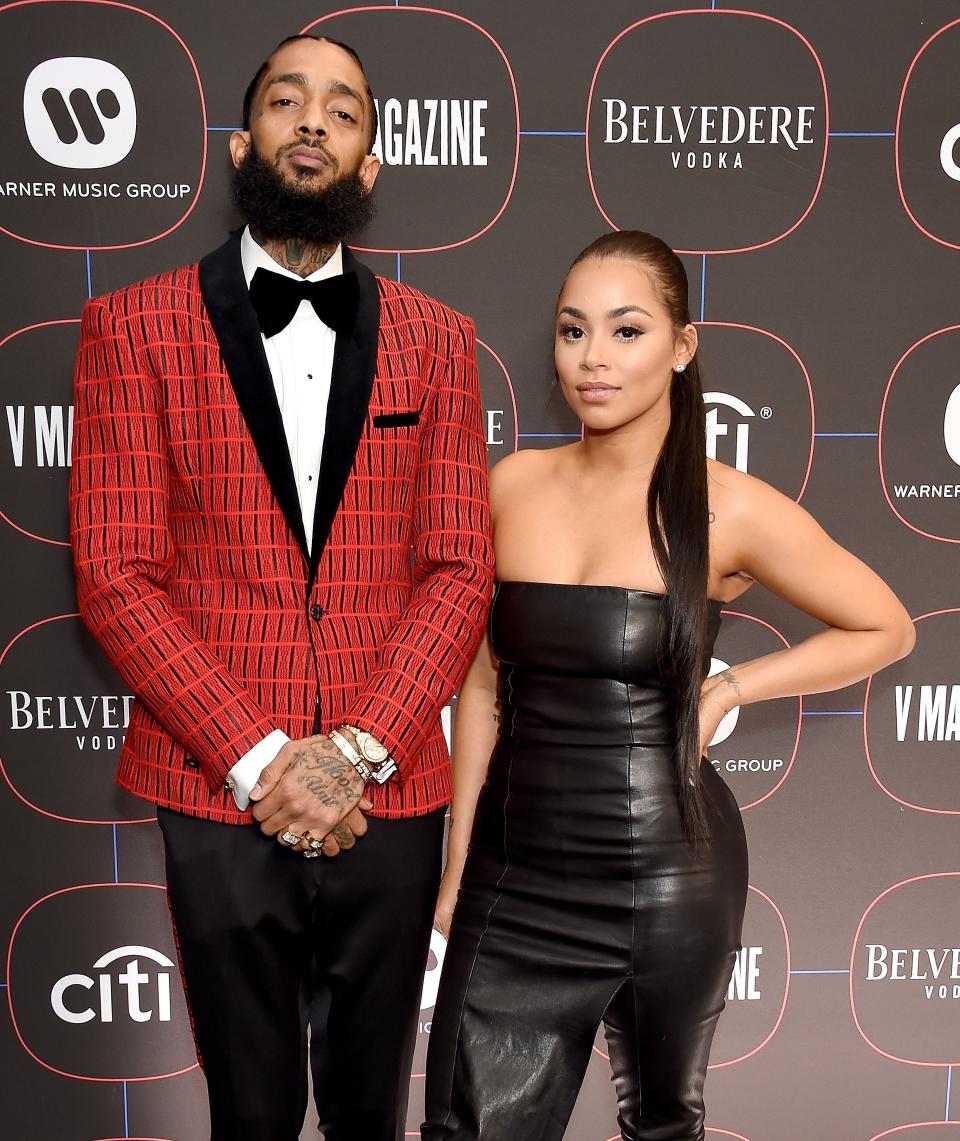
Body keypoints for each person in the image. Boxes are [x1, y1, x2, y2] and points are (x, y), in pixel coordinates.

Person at [70, 32, 493, 1141]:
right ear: (239, 142)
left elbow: (459, 567)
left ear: (370, 162)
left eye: (343, 109)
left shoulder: (443, 342)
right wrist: (266, 760)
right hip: (217, 790)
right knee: (247, 1110)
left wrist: (355, 752)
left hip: (390, 790)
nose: (313, 120)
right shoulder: (131, 327)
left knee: (371, 1109)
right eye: (286, 100)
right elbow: (118, 571)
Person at [421, 230, 915, 1141]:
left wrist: (733, 690)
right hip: (513, 873)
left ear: (682, 348)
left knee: (660, 1125)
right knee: (464, 1126)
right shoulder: (512, 486)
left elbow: (886, 625)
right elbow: (481, 686)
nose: (594, 359)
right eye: (573, 332)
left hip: (668, 876)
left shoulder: (727, 505)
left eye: (627, 330)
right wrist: (457, 865)